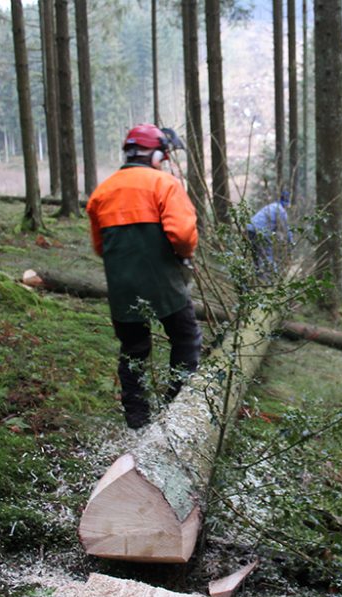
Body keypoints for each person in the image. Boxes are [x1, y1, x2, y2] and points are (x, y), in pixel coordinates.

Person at [86, 124, 202, 429]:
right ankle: (176, 410)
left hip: (122, 286)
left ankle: (137, 421)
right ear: (154, 154)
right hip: (164, 281)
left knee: (134, 350)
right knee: (186, 338)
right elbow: (183, 234)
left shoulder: (101, 192)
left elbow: (100, 247)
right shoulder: (164, 184)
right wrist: (184, 255)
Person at [246, 192, 293, 280]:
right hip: (261, 232)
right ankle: (267, 281)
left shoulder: (272, 206)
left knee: (255, 255)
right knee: (267, 257)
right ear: (287, 203)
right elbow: (286, 230)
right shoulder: (281, 211)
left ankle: (256, 278)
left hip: (250, 229)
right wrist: (291, 244)